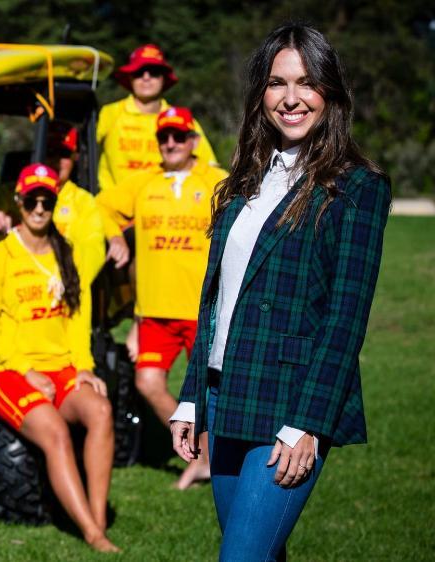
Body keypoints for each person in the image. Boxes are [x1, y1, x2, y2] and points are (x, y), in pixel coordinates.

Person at [169, 24, 391, 561]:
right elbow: (217, 301)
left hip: (290, 403)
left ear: (330, 94)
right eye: (276, 83)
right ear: (260, 94)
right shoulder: (243, 182)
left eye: (306, 82)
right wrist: (192, 395)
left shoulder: (357, 188)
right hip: (226, 400)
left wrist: (308, 423)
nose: (291, 98)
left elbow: (345, 319)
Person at [0, 164, 120, 553]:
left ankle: (97, 520)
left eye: (47, 200)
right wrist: (26, 371)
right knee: (56, 433)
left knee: (102, 411)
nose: (39, 208)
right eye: (32, 200)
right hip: (9, 371)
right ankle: (92, 534)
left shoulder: (66, 252)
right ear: (19, 201)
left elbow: (78, 319)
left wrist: (85, 367)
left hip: (62, 367)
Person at [96, 106, 228, 490]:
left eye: (178, 136)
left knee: (210, 392)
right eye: (164, 137)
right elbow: (102, 206)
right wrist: (116, 235)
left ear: (193, 141)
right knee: (148, 384)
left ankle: (215, 461)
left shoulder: (216, 181)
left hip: (200, 310)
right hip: (152, 312)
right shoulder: (143, 182)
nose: (170, 143)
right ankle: (201, 456)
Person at [0, 122, 130, 278]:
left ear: (76, 157)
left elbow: (93, 251)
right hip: (13, 280)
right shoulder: (10, 193)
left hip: (62, 286)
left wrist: (61, 278)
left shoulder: (83, 201)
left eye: (64, 153)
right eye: (50, 151)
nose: (56, 159)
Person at [97, 43, 218, 191]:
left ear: (163, 79)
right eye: (138, 72)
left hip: (165, 209)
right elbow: (80, 152)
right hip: (115, 209)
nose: (146, 77)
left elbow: (210, 167)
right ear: (130, 78)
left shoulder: (182, 119)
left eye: (154, 72)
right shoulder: (110, 113)